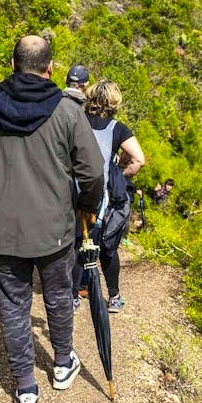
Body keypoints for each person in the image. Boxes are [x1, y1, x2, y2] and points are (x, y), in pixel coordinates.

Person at [0, 35, 104, 403]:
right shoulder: (67, 111)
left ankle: (25, 389)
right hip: (55, 229)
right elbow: (93, 172)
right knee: (58, 295)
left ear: (12, 64)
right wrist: (85, 207)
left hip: (2, 229)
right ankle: (63, 364)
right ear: (50, 68)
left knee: (13, 306)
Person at [72, 80, 145, 314]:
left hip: (72, 190)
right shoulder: (117, 128)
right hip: (100, 195)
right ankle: (113, 297)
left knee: (75, 243)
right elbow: (138, 160)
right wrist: (119, 175)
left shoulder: (77, 119)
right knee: (107, 247)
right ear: (114, 102)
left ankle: (73, 296)